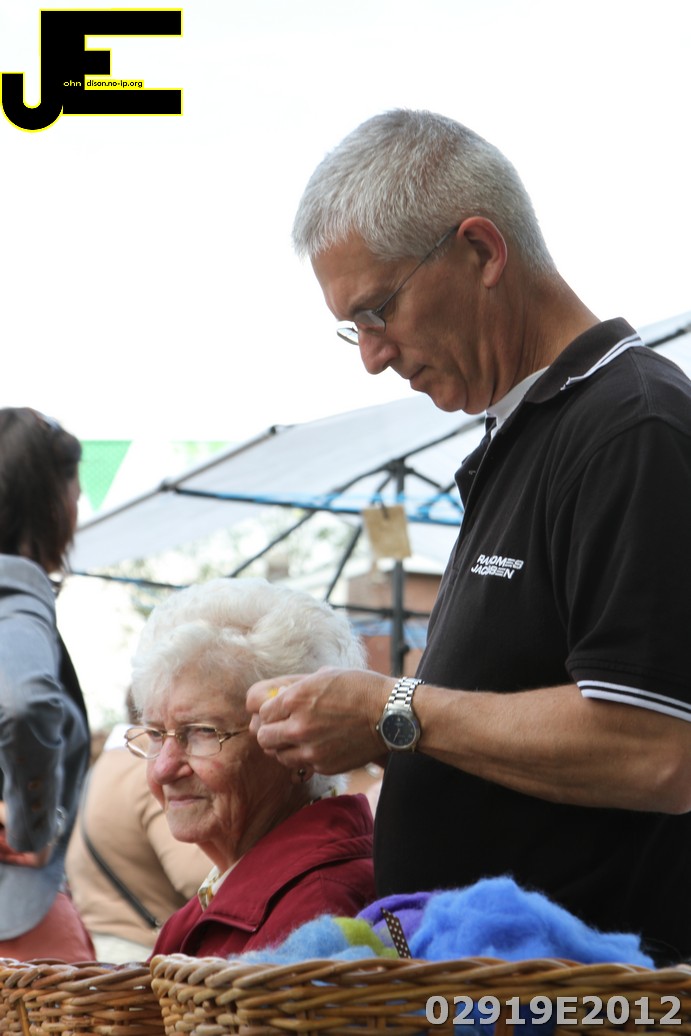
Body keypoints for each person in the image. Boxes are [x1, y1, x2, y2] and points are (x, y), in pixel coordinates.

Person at [245, 109, 691, 965]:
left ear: (481, 251)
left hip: (587, 1003)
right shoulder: (528, 433)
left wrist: (393, 710)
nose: (371, 355)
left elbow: (655, 748)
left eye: (377, 310)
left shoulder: (631, 428)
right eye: (352, 327)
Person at [127, 577, 375, 958]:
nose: (163, 768)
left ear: (301, 745)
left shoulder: (318, 912)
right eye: (157, 734)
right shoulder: (230, 895)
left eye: (202, 732)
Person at [0, 407, 94, 961]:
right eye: (76, 494)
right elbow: (25, 703)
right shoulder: (14, 595)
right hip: (17, 923)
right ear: (52, 505)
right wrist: (32, 827)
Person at [66, 692, 210, 963]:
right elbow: (192, 876)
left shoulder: (106, 765)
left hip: (101, 950)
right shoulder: (143, 769)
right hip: (141, 954)